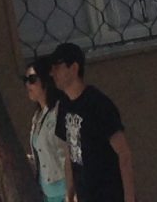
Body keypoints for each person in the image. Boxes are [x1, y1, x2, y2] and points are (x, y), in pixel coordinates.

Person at [47, 41, 135, 202]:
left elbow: (123, 153)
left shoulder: (97, 104)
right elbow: (69, 153)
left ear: (74, 68)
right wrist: (70, 193)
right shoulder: (64, 106)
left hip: (109, 194)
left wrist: (129, 198)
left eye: (57, 67)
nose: (52, 73)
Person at [23, 57, 67, 202]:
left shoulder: (61, 110)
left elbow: (72, 151)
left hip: (66, 189)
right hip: (47, 194)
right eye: (25, 79)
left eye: (32, 79)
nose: (28, 84)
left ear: (46, 80)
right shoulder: (37, 117)